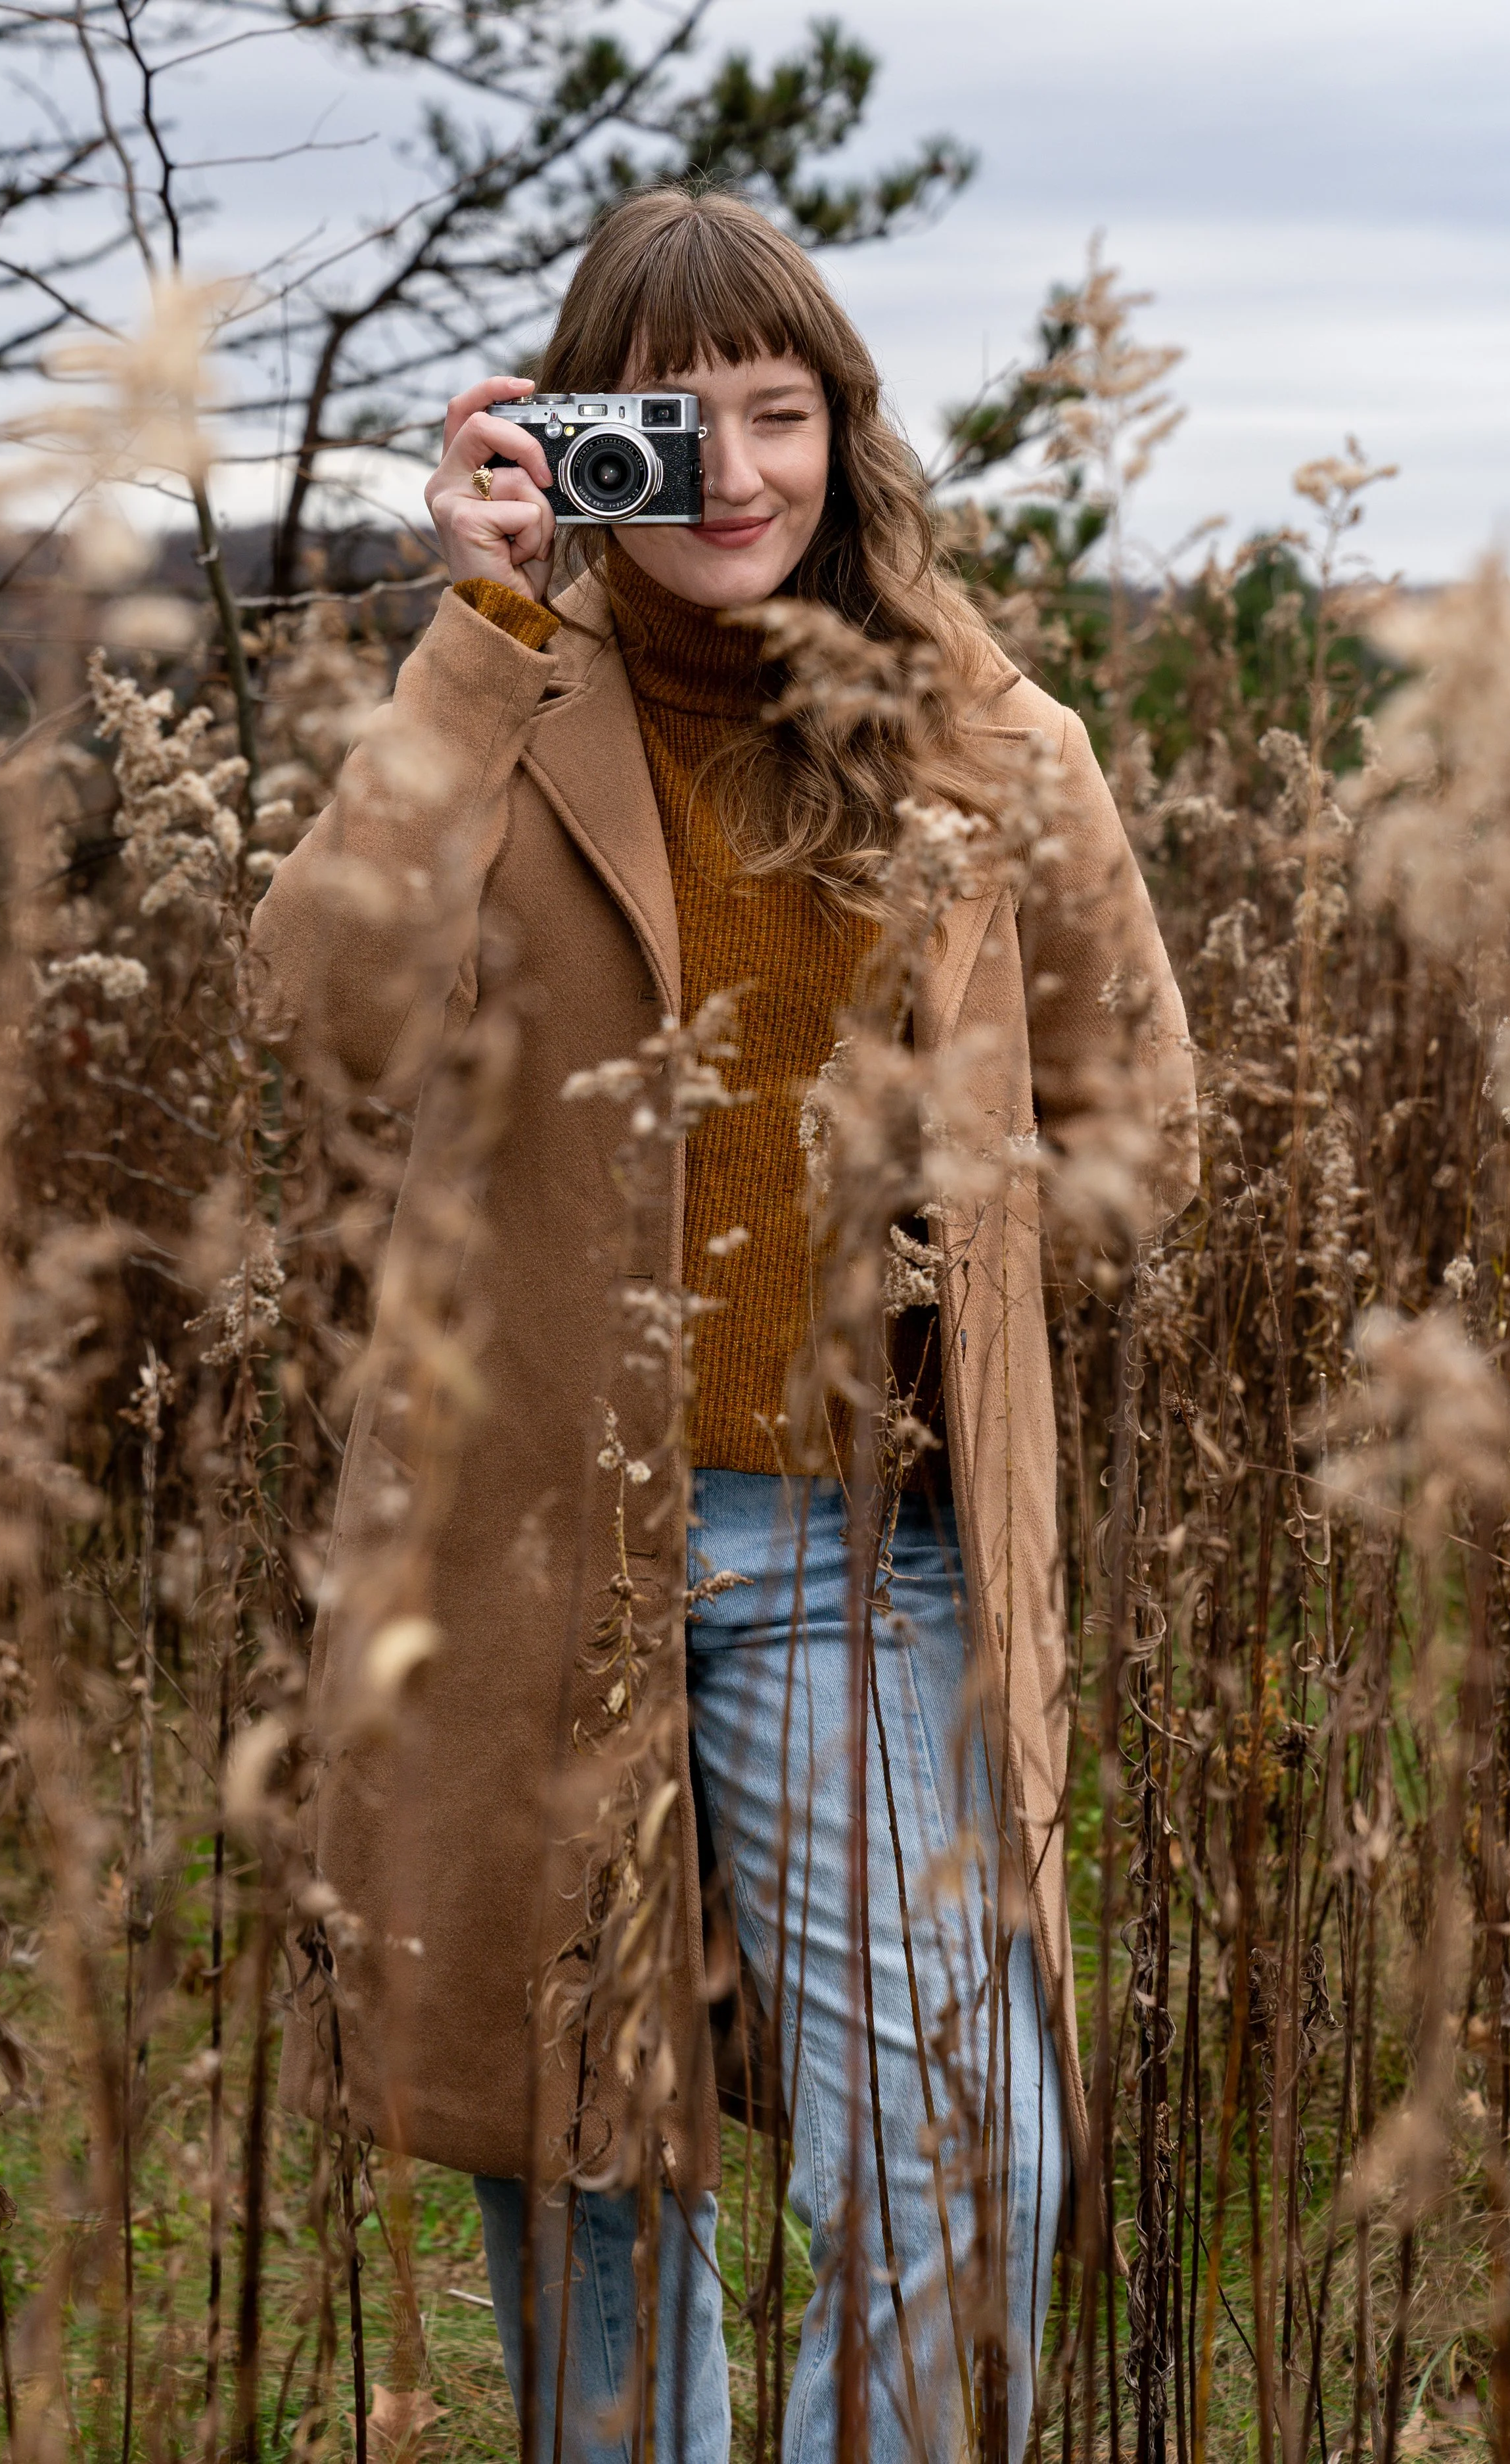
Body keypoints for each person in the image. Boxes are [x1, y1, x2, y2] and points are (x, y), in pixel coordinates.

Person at [249, 185, 1197, 2461]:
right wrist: (473, 627)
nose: (733, 477)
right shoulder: (505, 696)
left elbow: (1133, 1122)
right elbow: (327, 1014)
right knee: (590, 2166)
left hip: (856, 1559)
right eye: (663, 431)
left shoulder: (992, 737)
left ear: (841, 428)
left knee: (965, 2160)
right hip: (524, 1550)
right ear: (570, 443)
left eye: (775, 415)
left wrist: (932, 1262)